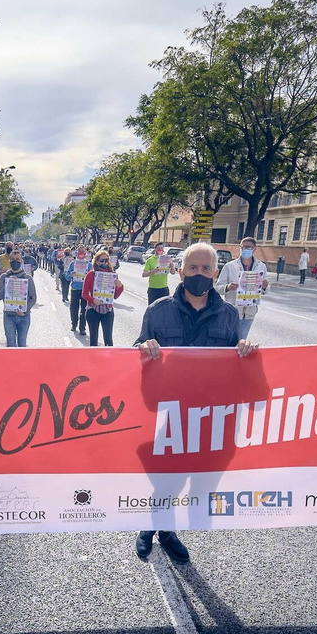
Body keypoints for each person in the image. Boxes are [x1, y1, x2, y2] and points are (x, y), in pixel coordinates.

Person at [134, 243, 255, 563]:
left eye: (205, 269)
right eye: (192, 269)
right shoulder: (158, 311)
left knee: (197, 477)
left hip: (212, 415)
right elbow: (136, 352)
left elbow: (236, 360)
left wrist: (244, 350)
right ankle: (156, 528)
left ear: (215, 273)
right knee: (167, 478)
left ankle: (168, 527)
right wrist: (144, 346)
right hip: (172, 413)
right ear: (180, 271)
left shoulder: (229, 315)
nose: (199, 274)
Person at [215, 238, 270, 340]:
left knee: (242, 341)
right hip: (233, 312)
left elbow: (265, 290)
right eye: (244, 247)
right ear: (240, 248)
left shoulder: (261, 267)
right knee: (230, 342)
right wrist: (228, 287)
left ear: (254, 249)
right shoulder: (229, 266)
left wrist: (265, 286)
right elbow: (218, 287)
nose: (246, 249)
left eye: (249, 247)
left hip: (249, 313)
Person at [81, 249, 123, 346]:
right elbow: (84, 294)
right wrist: (93, 300)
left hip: (107, 310)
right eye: (102, 260)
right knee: (93, 339)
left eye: (106, 260)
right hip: (93, 310)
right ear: (96, 261)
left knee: (108, 339)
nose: (104, 262)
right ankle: (93, 360)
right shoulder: (91, 274)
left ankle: (108, 361)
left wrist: (120, 286)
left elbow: (115, 296)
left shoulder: (113, 275)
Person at [0, 252, 36, 346]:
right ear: (9, 261)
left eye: (17, 259)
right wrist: (8, 283)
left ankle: (22, 361)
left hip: (24, 316)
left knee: (22, 345)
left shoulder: (28, 278)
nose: (15, 261)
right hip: (9, 316)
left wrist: (25, 310)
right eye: (13, 259)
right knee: (11, 345)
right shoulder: (4, 277)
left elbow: (33, 298)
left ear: (21, 261)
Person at [67, 246, 92, 334]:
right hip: (75, 289)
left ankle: (82, 328)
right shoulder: (72, 264)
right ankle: (74, 324)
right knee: (74, 308)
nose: (81, 253)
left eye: (83, 252)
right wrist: (71, 274)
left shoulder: (89, 264)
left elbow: (93, 277)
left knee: (84, 310)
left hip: (85, 291)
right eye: (79, 251)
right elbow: (67, 277)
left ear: (85, 253)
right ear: (77, 253)